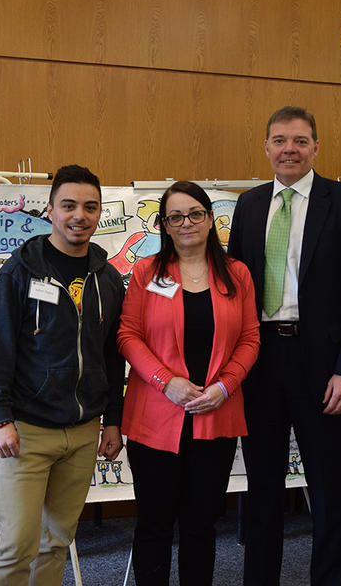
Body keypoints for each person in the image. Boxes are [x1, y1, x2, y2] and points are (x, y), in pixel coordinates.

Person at [227, 106, 341, 586]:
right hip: (260, 362)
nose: (288, 149)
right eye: (279, 140)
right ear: (266, 147)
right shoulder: (248, 205)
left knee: (331, 491)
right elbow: (233, 290)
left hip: (325, 365)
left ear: (316, 146)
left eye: (299, 140)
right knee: (263, 489)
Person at [0, 164, 126, 586]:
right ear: (50, 210)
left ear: (99, 213)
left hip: (82, 431)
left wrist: (112, 420)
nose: (80, 215)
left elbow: (111, 356)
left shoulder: (108, 279)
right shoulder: (19, 272)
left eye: (90, 207)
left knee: (57, 540)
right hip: (26, 429)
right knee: (15, 544)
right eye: (69, 205)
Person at [118, 181, 261, 586]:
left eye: (195, 214)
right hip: (156, 417)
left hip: (216, 414)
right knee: (154, 523)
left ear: (210, 218)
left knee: (201, 524)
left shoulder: (236, 274)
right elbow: (128, 335)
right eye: (175, 216)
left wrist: (226, 386)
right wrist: (167, 382)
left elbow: (251, 338)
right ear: (163, 224)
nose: (186, 223)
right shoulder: (148, 272)